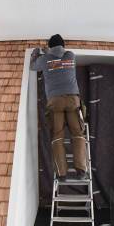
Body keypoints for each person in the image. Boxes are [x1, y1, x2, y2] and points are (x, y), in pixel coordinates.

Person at [30, 34, 88, 181]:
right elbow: (59, 58)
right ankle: (81, 170)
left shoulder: (44, 59)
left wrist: (37, 52)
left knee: (57, 137)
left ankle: (62, 174)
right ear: (63, 45)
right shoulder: (71, 55)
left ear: (49, 46)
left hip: (55, 101)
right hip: (72, 101)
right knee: (77, 134)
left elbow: (33, 66)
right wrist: (49, 52)